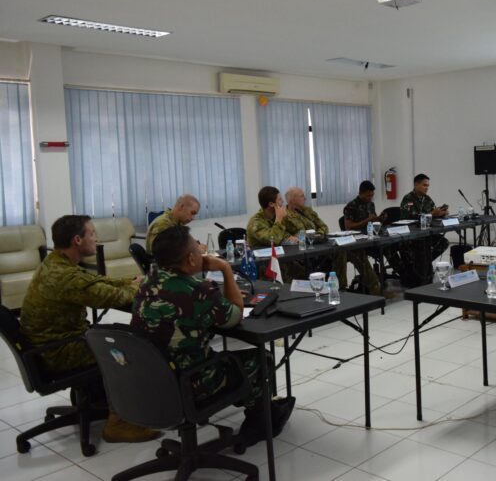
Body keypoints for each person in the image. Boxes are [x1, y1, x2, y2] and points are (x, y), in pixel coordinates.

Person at [131, 226, 294, 446]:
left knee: (221, 354)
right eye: (197, 248)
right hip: (190, 382)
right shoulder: (199, 291)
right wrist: (226, 269)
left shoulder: (147, 282)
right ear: (190, 259)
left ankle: (264, 410)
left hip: (153, 380)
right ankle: (259, 423)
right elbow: (235, 316)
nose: (202, 251)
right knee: (261, 358)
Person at [20, 215, 160, 443]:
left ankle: (102, 399)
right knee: (124, 350)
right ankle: (119, 424)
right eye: (92, 233)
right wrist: (144, 287)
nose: (96, 238)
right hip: (57, 352)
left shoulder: (56, 262)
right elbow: (112, 297)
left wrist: (131, 280)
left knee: (113, 334)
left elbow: (95, 283)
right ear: (77, 239)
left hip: (46, 346)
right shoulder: (66, 276)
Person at [282, 187, 349, 283]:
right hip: (301, 251)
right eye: (302, 196)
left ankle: (340, 287)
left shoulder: (307, 211)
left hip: (318, 245)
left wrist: (317, 235)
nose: (305, 198)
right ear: (292, 200)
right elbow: (285, 236)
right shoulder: (284, 215)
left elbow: (324, 227)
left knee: (340, 251)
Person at [398, 174, 450, 286]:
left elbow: (433, 214)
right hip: (412, 235)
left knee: (443, 242)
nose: (427, 188)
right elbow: (410, 218)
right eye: (424, 185)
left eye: (428, 186)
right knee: (422, 247)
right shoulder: (408, 199)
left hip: (426, 233)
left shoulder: (427, 199)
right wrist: (432, 213)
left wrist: (441, 213)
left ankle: (423, 264)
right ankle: (420, 269)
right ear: (416, 184)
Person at [246, 186, 303, 282]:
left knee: (305, 272)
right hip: (265, 264)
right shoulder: (255, 223)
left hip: (283, 257)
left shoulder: (276, 216)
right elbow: (273, 240)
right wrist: (279, 220)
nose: (283, 203)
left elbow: (298, 229)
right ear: (271, 204)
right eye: (280, 200)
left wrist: (292, 236)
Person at [341, 181, 385, 296]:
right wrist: (367, 221)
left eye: (372, 195)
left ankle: (407, 277)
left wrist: (379, 219)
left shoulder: (371, 204)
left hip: (371, 236)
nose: (370, 198)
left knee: (391, 246)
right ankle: (375, 288)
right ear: (360, 193)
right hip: (358, 239)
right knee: (359, 254)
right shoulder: (351, 206)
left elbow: (373, 219)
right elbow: (348, 227)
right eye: (368, 195)